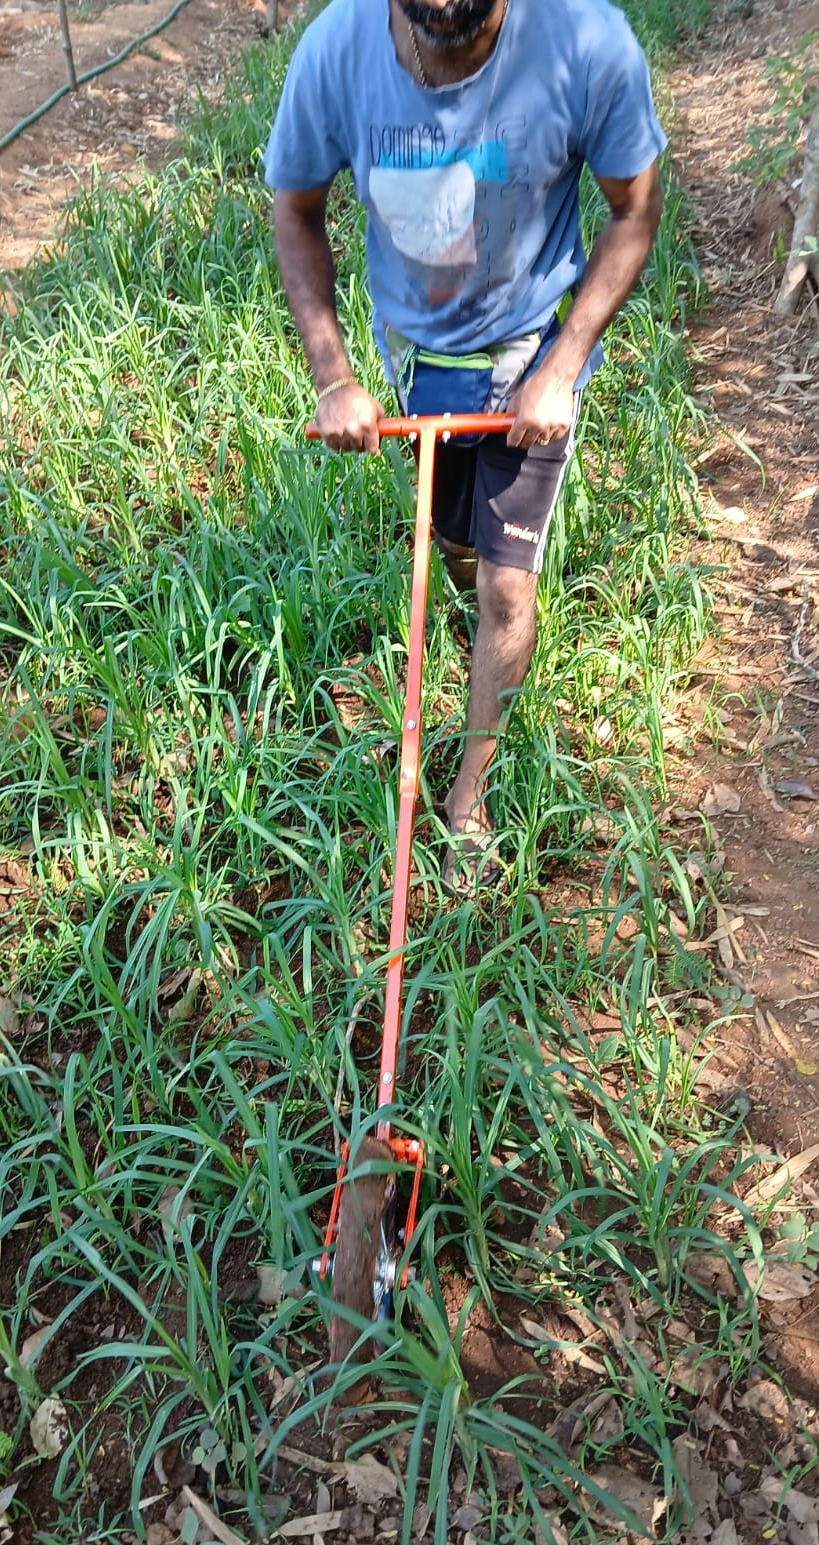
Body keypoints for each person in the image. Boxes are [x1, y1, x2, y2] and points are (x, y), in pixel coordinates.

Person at [264, 0, 666, 891]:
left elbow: (635, 209)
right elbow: (296, 211)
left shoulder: (586, 43)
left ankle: (466, 802)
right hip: (421, 365)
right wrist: (333, 378)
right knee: (456, 548)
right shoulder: (335, 52)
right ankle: (473, 581)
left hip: (529, 357)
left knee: (504, 585)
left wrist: (563, 363)